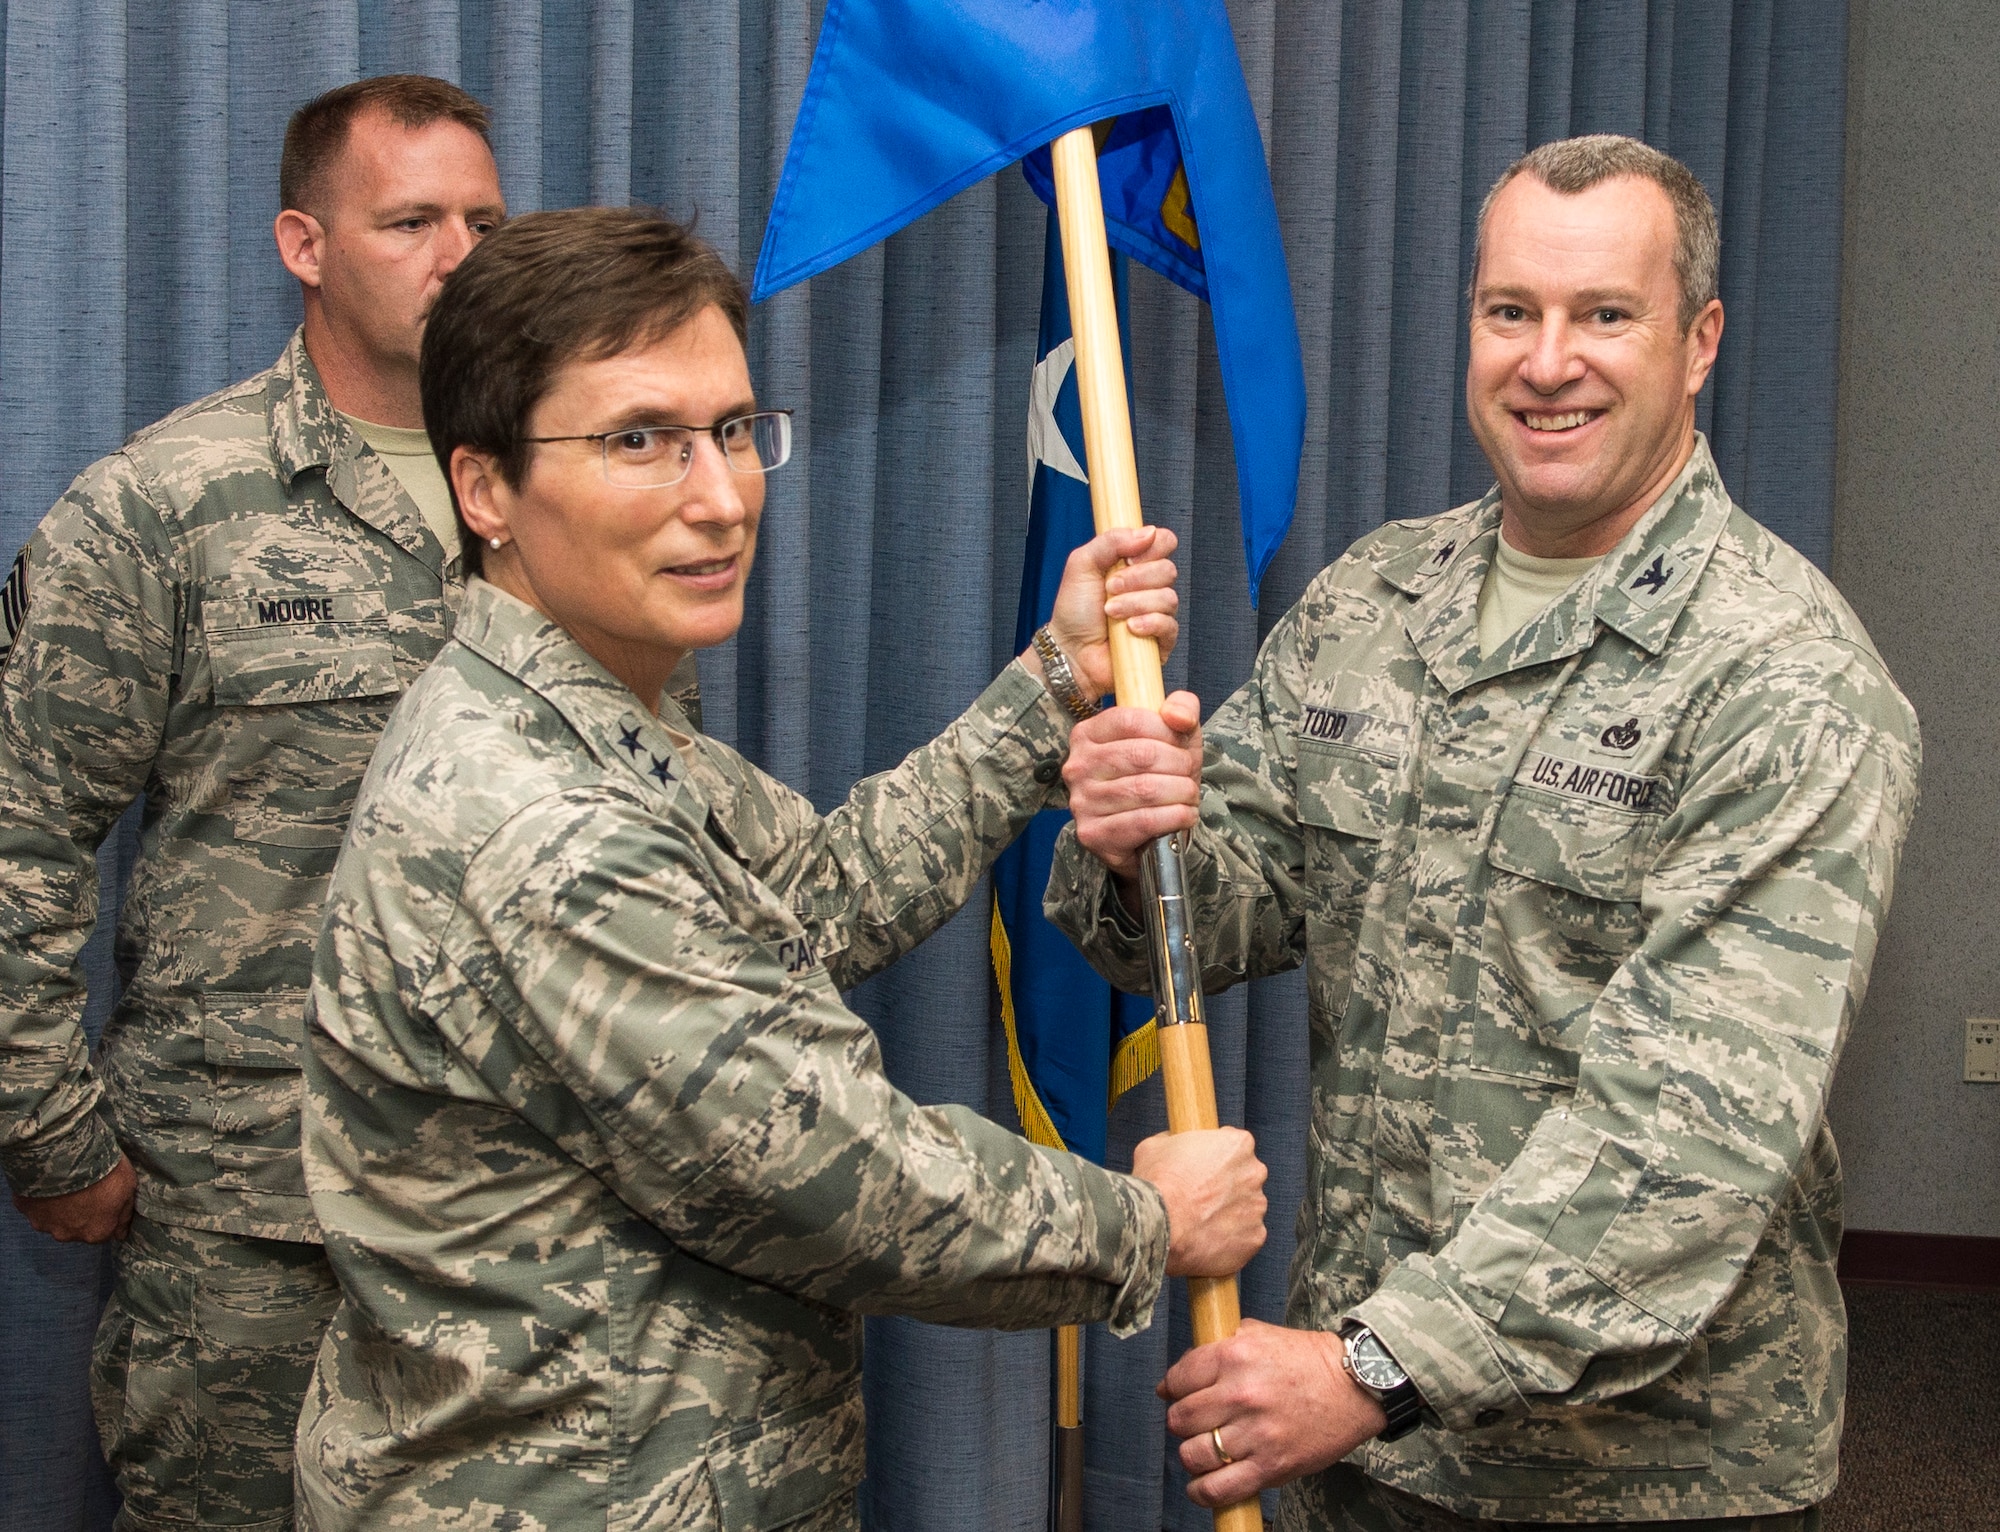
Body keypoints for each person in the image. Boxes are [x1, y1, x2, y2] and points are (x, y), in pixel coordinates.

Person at [293, 205, 1268, 1531]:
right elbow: (831, 1179)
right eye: (638, 440)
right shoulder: (537, 818)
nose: (719, 496)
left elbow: (805, 904)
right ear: (485, 491)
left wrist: (1055, 681)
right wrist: (1143, 1223)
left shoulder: (594, 711)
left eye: (733, 431)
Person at [1049, 134, 1921, 1530]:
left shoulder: (1785, 683)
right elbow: (1219, 914)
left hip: (1643, 1475)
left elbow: (1684, 1143)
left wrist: (1376, 1366)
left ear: (1697, 343)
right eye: (1511, 310)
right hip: (1367, 1452)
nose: (1547, 361)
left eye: (1603, 316)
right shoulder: (1371, 602)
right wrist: (1125, 833)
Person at [0, 75, 505, 1531]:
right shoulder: (166, 505)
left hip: (522, 1221)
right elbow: (20, 832)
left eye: (483, 218)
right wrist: (51, 1134)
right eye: (410, 220)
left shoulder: (564, 487)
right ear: (305, 245)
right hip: (254, 1230)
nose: (460, 256)